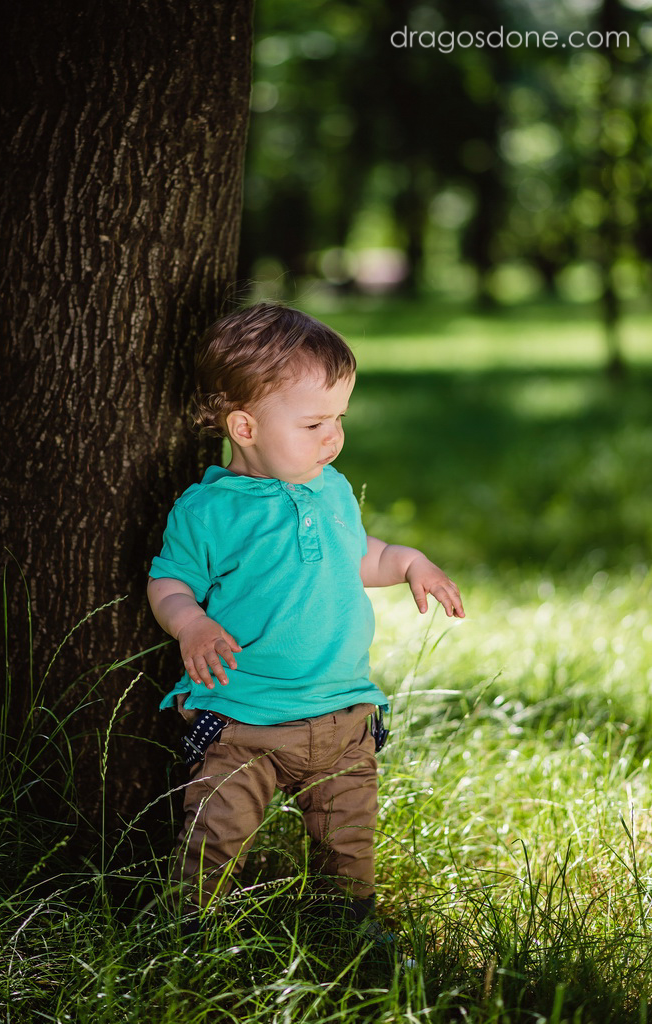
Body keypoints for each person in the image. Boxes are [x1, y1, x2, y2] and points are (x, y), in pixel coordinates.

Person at [147, 302, 464, 926]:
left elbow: (357, 557)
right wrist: (191, 622)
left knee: (349, 837)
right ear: (245, 427)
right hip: (245, 717)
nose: (334, 437)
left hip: (343, 711)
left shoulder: (332, 487)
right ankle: (192, 927)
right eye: (315, 422)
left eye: (339, 418)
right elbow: (170, 580)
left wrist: (408, 563)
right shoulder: (209, 509)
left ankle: (346, 923)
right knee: (216, 830)